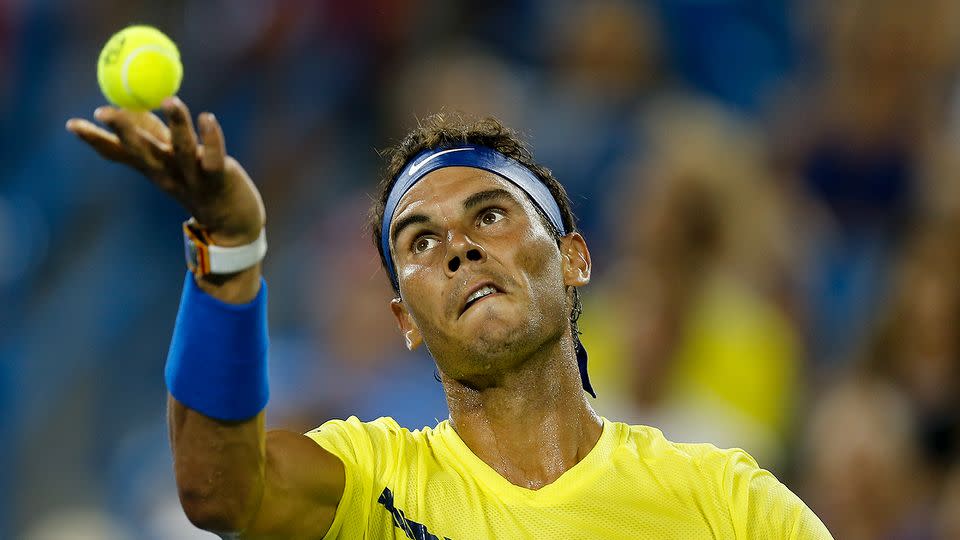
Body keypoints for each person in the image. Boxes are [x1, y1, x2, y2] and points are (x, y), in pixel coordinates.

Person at [66, 98, 832, 539]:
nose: (459, 248)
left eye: (491, 215)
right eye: (421, 241)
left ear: (574, 259)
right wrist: (233, 251)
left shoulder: (725, 502)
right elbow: (216, 492)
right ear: (404, 317)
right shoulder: (372, 482)